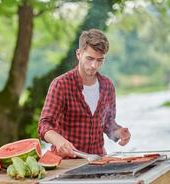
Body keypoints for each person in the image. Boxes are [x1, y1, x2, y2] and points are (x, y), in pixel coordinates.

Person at [38, 28, 131, 158]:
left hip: (98, 160)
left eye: (100, 60)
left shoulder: (107, 86)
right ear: (78, 54)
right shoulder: (61, 84)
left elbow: (107, 122)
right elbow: (44, 124)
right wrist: (58, 140)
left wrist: (118, 132)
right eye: (90, 58)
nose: (94, 65)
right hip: (66, 161)